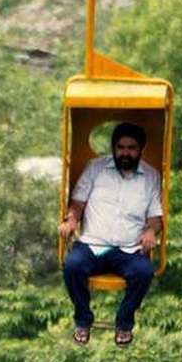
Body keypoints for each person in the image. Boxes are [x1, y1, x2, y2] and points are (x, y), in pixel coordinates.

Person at [59, 121, 164, 346]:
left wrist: (150, 231)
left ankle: (124, 323)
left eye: (131, 148)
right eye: (120, 147)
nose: (125, 153)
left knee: (144, 272)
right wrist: (71, 221)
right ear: (114, 148)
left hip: (128, 249)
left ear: (140, 149)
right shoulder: (95, 168)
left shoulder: (151, 176)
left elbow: (156, 217)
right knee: (72, 266)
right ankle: (83, 320)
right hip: (93, 245)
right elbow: (77, 204)